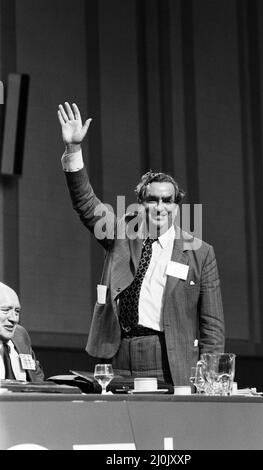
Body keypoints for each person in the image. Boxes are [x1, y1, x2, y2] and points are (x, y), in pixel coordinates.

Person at [58, 102, 225, 385]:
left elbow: (213, 325)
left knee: (164, 427)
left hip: (168, 356)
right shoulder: (122, 232)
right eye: (152, 199)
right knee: (118, 427)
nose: (159, 206)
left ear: (177, 206)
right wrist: (73, 150)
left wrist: (210, 378)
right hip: (117, 350)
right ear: (141, 204)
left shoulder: (200, 253)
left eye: (167, 200)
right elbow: (86, 203)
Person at [0, 282, 44, 382]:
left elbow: (36, 376)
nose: (14, 319)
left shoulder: (20, 334)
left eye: (17, 311)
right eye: (6, 310)